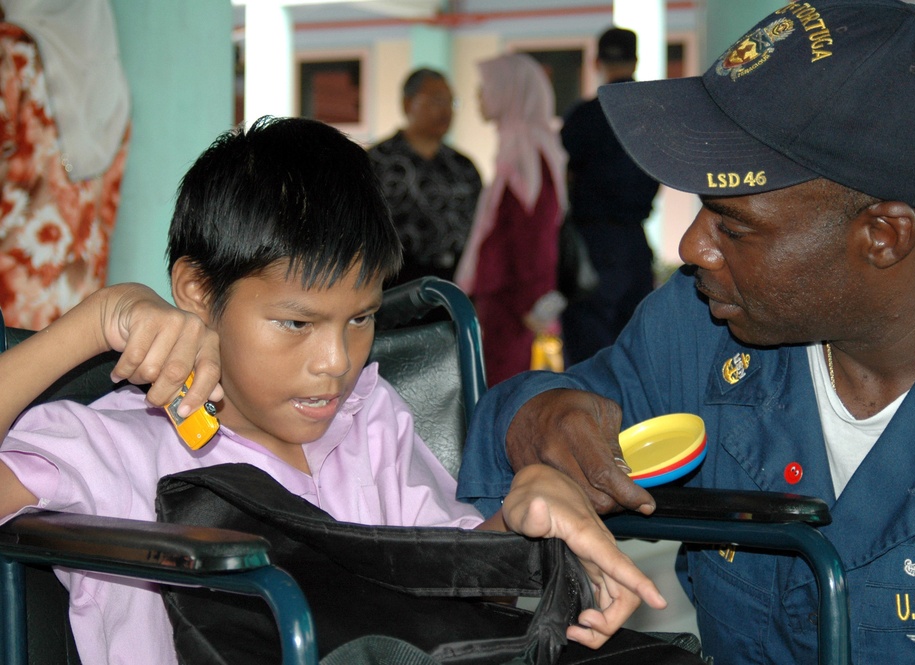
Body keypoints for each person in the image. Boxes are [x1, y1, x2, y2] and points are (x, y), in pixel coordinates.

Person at [0, 116, 665, 664]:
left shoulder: (368, 420)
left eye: (361, 318)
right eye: (296, 323)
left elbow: (439, 595)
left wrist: (523, 510)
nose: (335, 362)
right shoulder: (117, 446)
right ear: (198, 293)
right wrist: (94, 321)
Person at [455, 1, 915, 663]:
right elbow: (537, 410)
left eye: (732, 224)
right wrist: (541, 420)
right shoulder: (702, 326)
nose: (690, 246)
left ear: (882, 235)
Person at [0, 0, 131, 330]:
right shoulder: (108, 82)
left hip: (11, 292)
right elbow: (108, 200)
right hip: (79, 301)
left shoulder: (12, 51)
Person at [455, 53, 567, 386]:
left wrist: (530, 305)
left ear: (512, 90)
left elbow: (534, 234)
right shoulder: (520, 146)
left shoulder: (526, 152)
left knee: (501, 395)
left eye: (487, 86)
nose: (479, 96)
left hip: (513, 305)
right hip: (506, 301)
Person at [559, 27, 661, 367]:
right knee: (635, 352)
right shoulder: (653, 114)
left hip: (593, 245)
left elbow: (566, 176)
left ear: (596, 61)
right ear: (636, 60)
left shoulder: (584, 117)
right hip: (636, 244)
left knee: (590, 357)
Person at [368, 68, 482, 288]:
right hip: (394, 283)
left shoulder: (463, 166)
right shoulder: (377, 162)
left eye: (451, 102)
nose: (446, 110)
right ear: (407, 104)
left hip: (455, 281)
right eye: (437, 101)